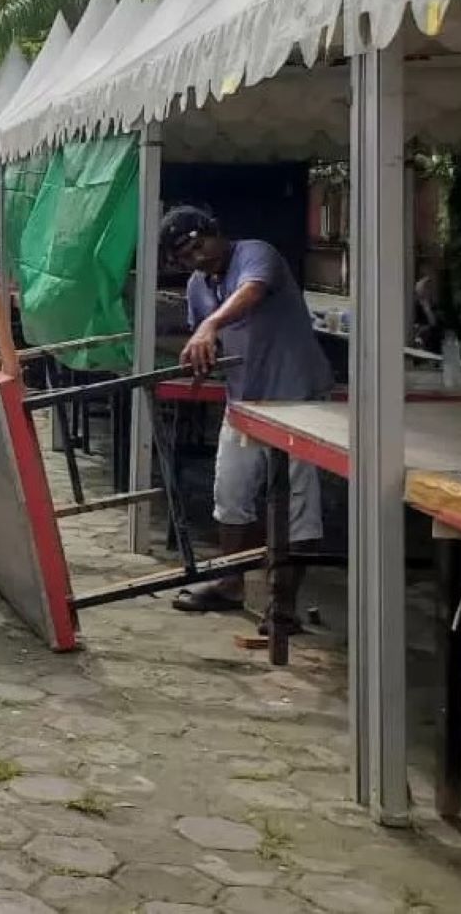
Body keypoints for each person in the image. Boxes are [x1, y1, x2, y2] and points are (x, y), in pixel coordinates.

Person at [162, 206, 333, 632]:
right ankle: (230, 582)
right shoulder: (198, 286)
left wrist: (210, 326)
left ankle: (285, 605)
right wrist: (204, 354)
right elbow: (210, 339)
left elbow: (252, 292)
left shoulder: (256, 254)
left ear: (216, 233)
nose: (198, 258)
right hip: (245, 403)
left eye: (200, 246)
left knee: (297, 505)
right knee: (230, 494)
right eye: (186, 256)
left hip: (297, 402)